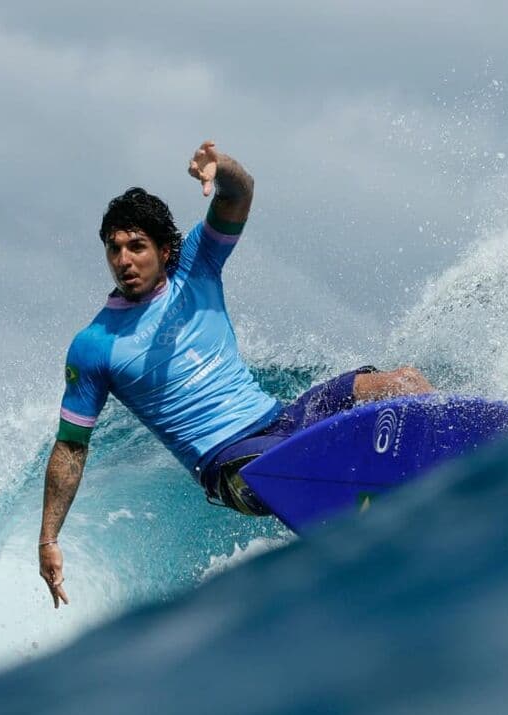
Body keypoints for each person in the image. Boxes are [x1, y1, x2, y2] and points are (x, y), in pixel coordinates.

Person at [38, 141, 434, 608]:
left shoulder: (196, 267)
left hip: (281, 421)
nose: (124, 260)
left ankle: (466, 457)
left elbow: (239, 193)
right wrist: (48, 539)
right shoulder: (94, 345)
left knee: (403, 382)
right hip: (231, 466)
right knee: (287, 463)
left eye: (137, 247)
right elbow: (71, 446)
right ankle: (366, 532)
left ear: (165, 251)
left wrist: (219, 168)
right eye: (114, 248)